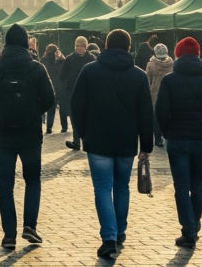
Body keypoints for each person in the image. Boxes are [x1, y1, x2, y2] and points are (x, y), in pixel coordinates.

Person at [70, 29, 153, 259]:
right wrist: (146, 144)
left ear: (106, 45)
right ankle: (120, 231)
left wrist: (83, 132)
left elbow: (76, 105)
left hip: (98, 141)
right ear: (129, 47)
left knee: (103, 189)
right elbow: (146, 113)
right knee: (122, 187)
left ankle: (109, 236)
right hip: (126, 142)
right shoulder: (138, 75)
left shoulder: (90, 71)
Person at [0, 24, 55, 250]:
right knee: (32, 180)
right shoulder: (37, 68)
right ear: (25, 43)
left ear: (5, 44)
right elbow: (50, 99)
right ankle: (30, 226)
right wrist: (33, 110)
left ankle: (9, 235)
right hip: (30, 135)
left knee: (5, 185)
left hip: (3, 136)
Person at [155, 37, 202, 248]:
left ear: (177, 55)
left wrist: (167, 132)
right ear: (198, 55)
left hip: (177, 139)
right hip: (201, 140)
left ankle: (188, 230)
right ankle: (195, 222)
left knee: (181, 187)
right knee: (197, 184)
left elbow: (161, 111)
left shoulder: (169, 80)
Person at [60, 36, 94, 150]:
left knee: (87, 117)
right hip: (72, 92)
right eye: (77, 46)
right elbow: (62, 75)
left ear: (86, 47)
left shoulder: (92, 58)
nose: (79, 48)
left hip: (88, 93)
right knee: (74, 117)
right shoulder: (69, 59)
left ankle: (87, 141)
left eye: (81, 46)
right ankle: (76, 141)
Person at [146, 43, 174, 148]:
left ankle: (157, 139)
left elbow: (147, 81)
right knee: (168, 116)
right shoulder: (172, 64)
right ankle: (166, 135)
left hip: (155, 94)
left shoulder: (151, 64)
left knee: (156, 118)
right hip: (169, 94)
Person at [41, 44, 65, 133]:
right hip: (60, 88)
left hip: (50, 88)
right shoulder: (60, 61)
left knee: (51, 110)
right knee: (62, 109)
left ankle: (49, 128)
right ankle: (64, 127)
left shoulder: (43, 61)